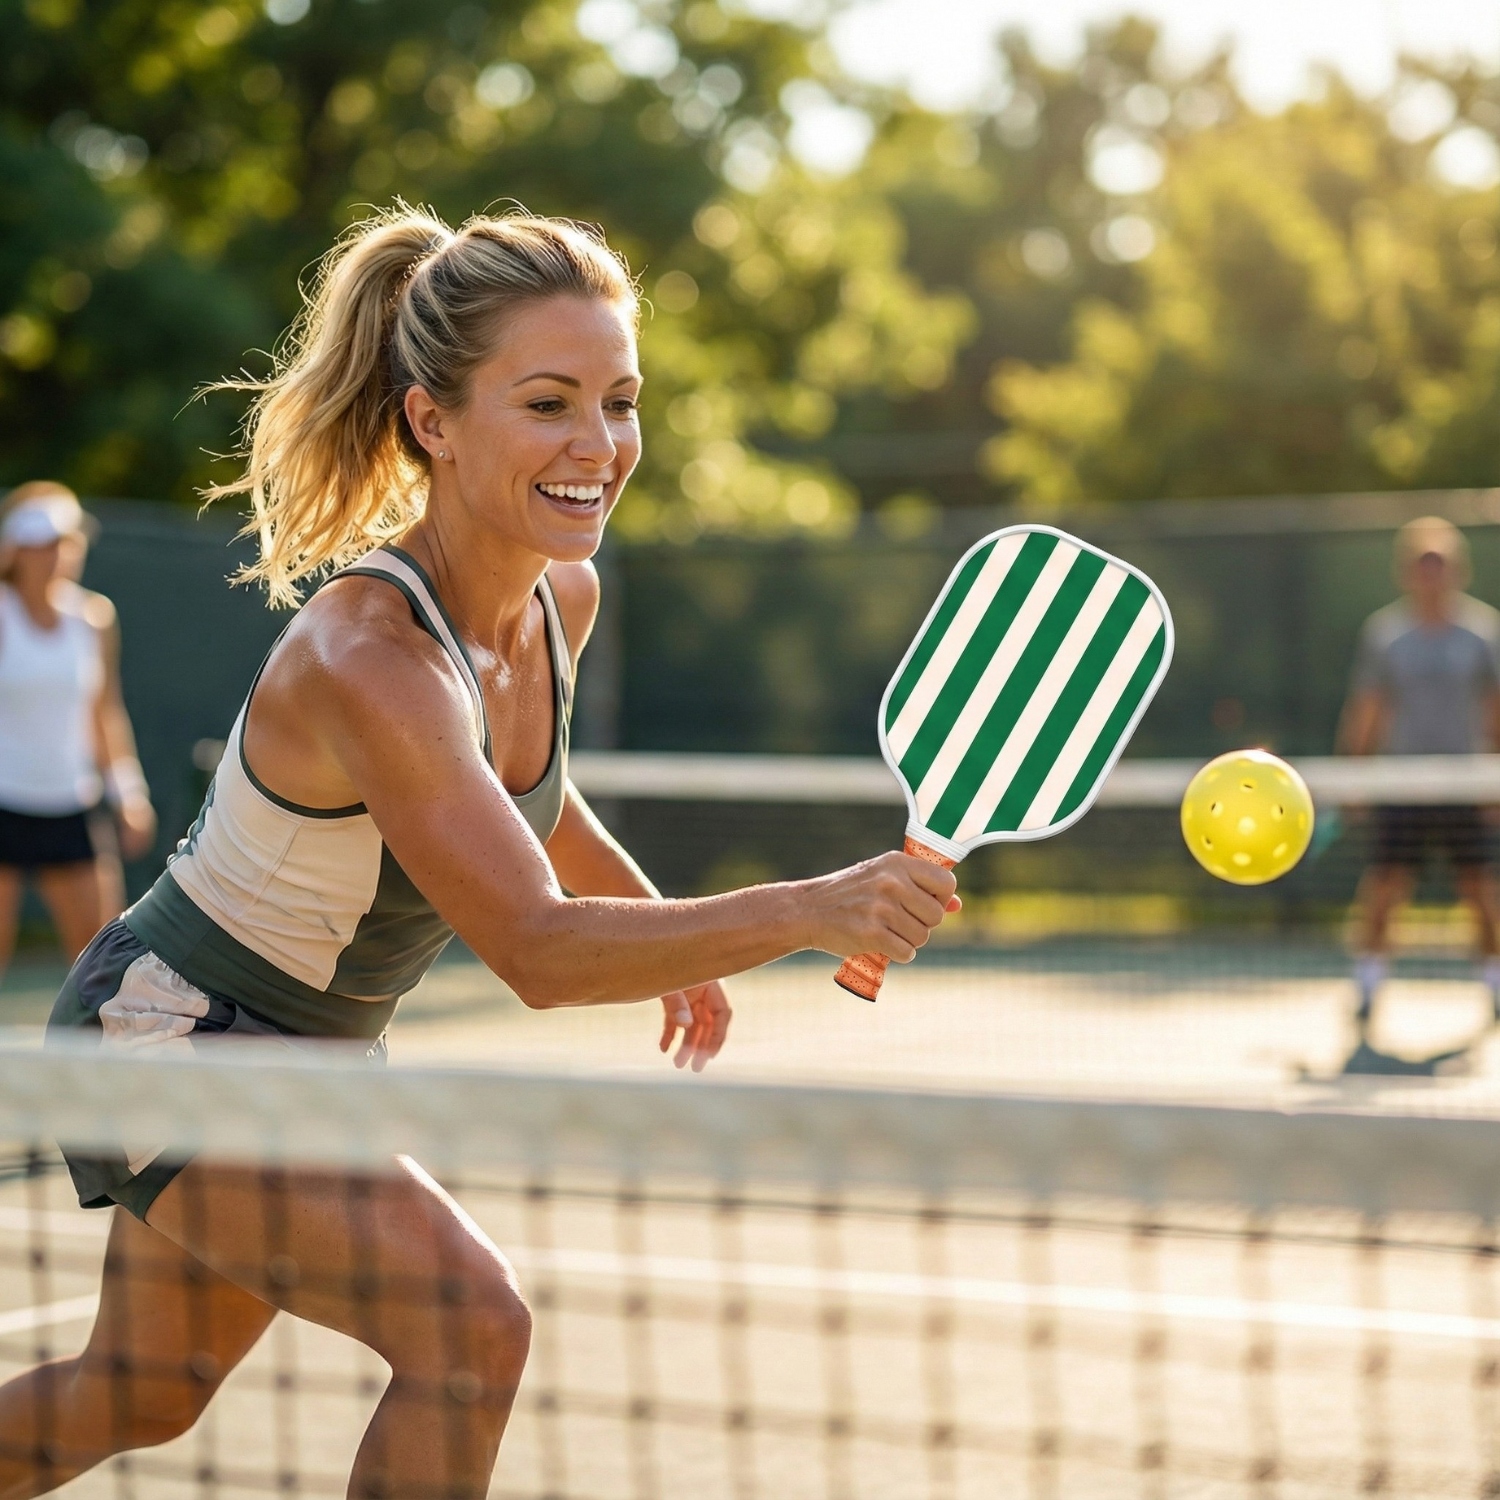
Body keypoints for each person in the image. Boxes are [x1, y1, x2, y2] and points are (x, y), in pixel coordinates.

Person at [0, 208, 959, 1496]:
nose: (598, 445)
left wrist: (668, 929)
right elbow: (537, 951)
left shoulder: (561, 593)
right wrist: (810, 907)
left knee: (142, 1393)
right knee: (467, 1327)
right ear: (433, 421)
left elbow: (530, 798)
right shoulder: (371, 658)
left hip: (315, 1054)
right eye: (549, 403)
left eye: (620, 402)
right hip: (175, 1034)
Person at [1339, 515, 1500, 1028]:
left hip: (1465, 785)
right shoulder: (1386, 634)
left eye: (1440, 563)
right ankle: (1367, 986)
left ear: (1458, 569)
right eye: (1422, 564)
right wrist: (1353, 777)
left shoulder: (1483, 632)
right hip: (1401, 785)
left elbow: (1495, 708)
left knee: (1480, 889)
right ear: (1407, 571)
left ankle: (1495, 984)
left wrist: (1494, 782)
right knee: (1384, 889)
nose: (1431, 574)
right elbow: (1368, 707)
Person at [0, 482, 156, 978]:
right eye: (43, 543)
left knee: (99, 965)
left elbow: (104, 709)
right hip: (4, 800)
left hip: (72, 804)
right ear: (16, 549)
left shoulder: (94, 617)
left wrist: (127, 793)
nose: (58, 555)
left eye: (66, 543)